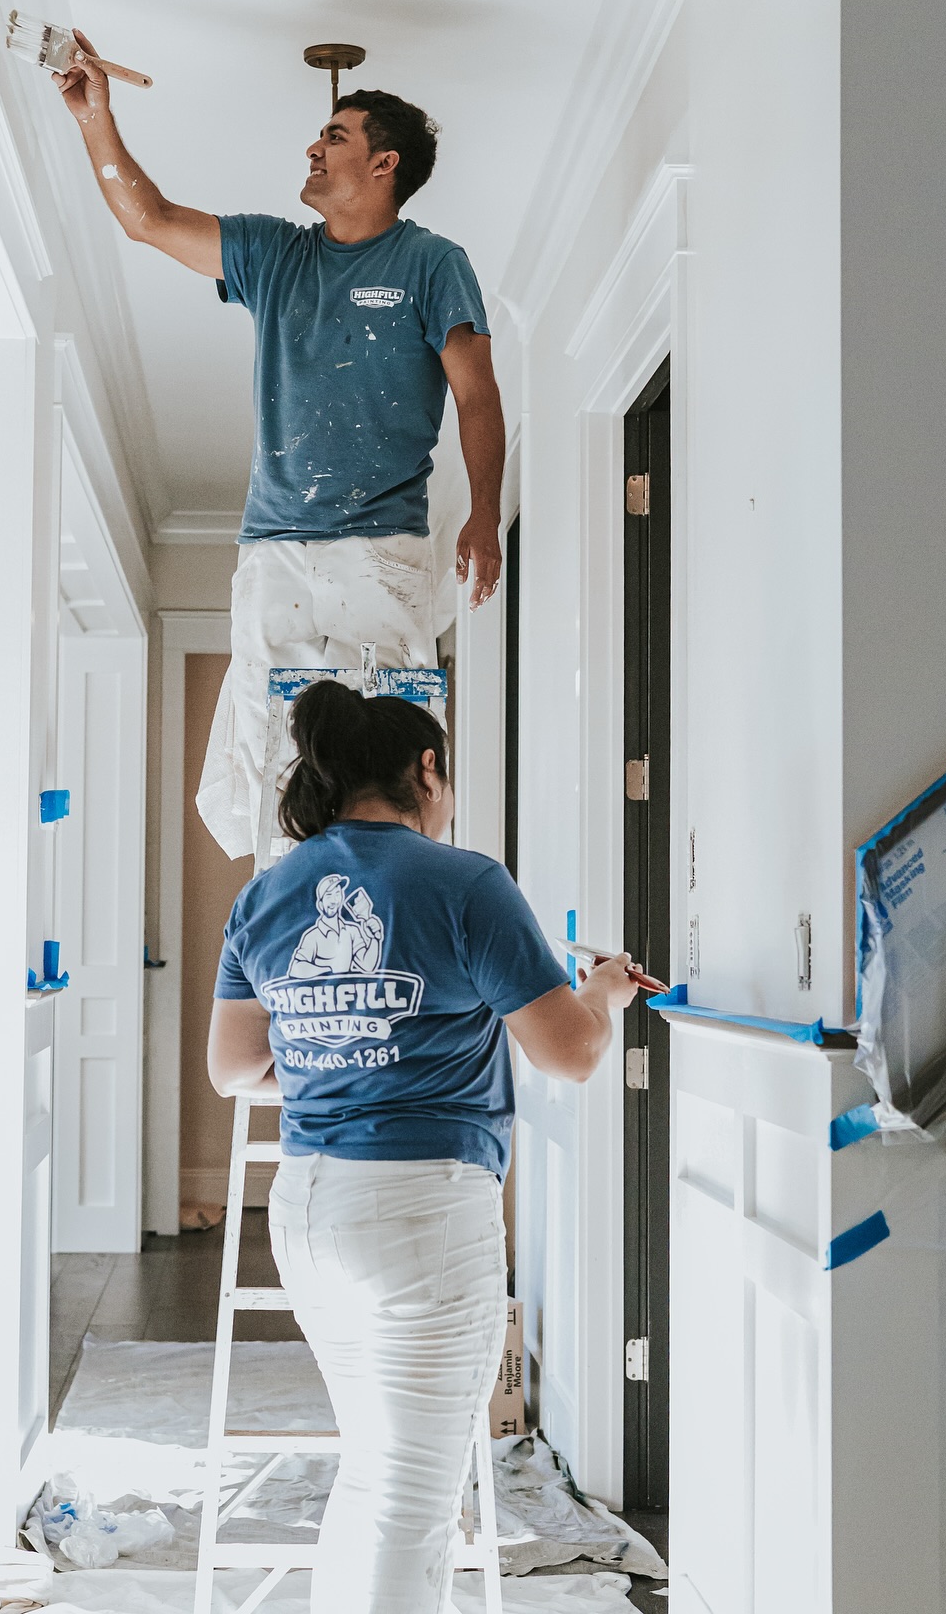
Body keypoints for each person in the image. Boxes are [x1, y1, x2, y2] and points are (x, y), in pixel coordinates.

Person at [207, 681, 638, 1614]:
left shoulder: (269, 892)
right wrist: (602, 992)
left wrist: (347, 1053)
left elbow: (235, 1068)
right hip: (422, 1216)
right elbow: (569, 1054)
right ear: (427, 769)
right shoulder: (465, 882)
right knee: (414, 1498)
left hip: (309, 1206)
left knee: (374, 1473)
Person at [54, 36, 507, 857]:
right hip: (276, 551)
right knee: (277, 765)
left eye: (336, 135)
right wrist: (96, 120)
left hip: (382, 550)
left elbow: (476, 393)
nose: (313, 145)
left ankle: (398, 914)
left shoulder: (432, 264)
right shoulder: (275, 254)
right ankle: (287, 934)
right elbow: (147, 220)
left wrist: (483, 514)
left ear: (385, 165)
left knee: (396, 755)